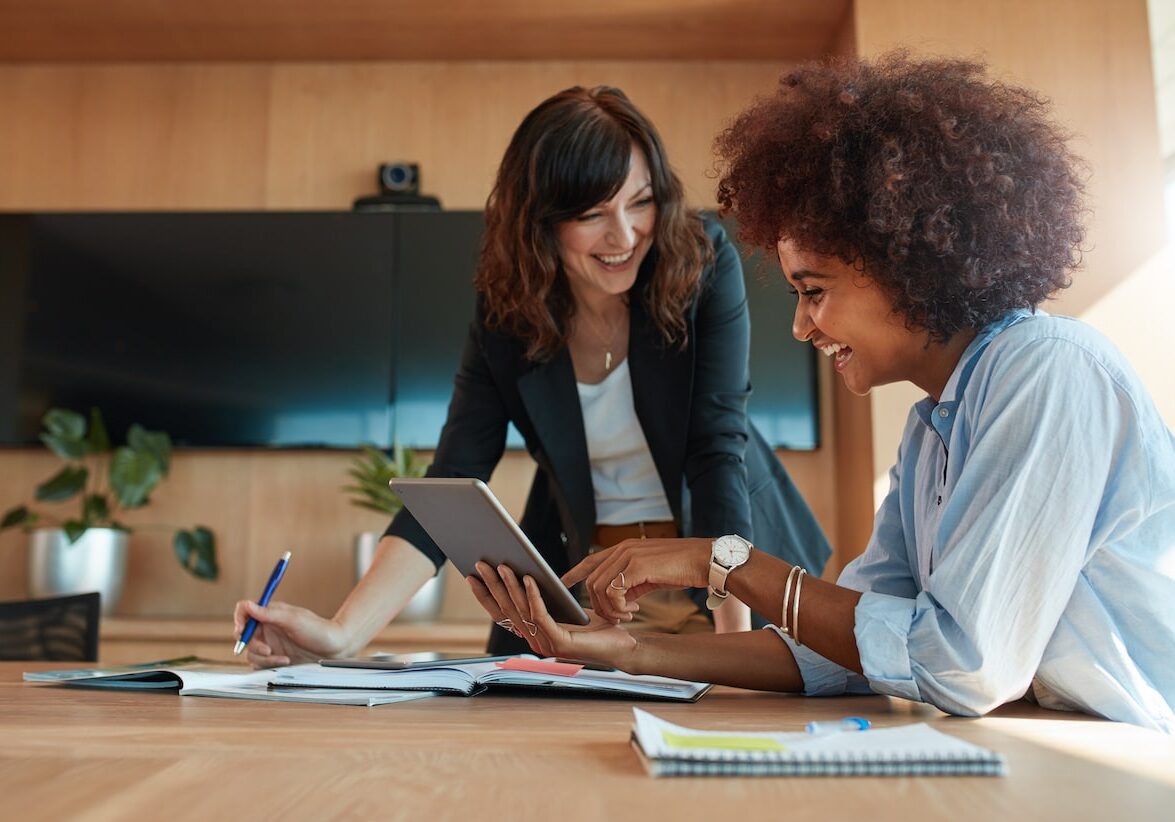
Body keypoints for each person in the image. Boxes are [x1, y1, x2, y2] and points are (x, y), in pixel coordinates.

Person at [469, 54, 1175, 733]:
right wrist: (624, 654)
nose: (802, 325)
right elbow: (847, 647)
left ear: (906, 264)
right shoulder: (934, 427)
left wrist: (723, 560)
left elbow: (959, 664)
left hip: (1133, 749)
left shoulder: (1045, 371)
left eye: (813, 291)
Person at [234, 85, 830, 664]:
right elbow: (453, 479)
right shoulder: (509, 311)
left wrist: (733, 649)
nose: (624, 235)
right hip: (595, 596)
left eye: (640, 201)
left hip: (727, 581)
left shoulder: (701, 262)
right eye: (593, 213)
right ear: (541, 221)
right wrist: (341, 635)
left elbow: (715, 449)